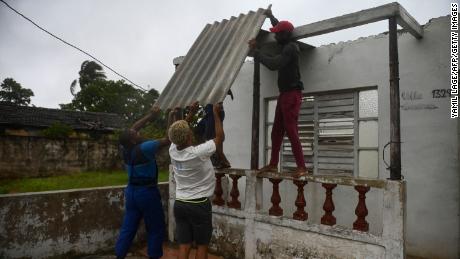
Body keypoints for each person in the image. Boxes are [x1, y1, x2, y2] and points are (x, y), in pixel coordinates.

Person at [249, 9, 308, 178]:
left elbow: (275, 64)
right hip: (285, 94)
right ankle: (273, 164)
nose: (274, 36)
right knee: (276, 131)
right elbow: (279, 27)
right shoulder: (286, 42)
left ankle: (302, 167)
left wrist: (257, 53)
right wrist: (271, 17)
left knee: (291, 129)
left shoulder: (291, 48)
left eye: (277, 34)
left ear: (285, 35)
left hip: (292, 94)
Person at [115, 105, 172, 259]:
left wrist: (150, 116)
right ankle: (154, 256)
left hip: (131, 192)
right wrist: (169, 116)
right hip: (147, 193)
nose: (138, 131)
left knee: (128, 227)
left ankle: (119, 255)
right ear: (133, 140)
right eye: (136, 133)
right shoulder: (146, 148)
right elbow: (168, 139)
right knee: (155, 227)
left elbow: (133, 128)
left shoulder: (125, 149)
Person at [168, 102, 224, 259]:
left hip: (180, 204)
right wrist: (215, 114)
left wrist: (191, 113)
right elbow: (219, 137)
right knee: (201, 246)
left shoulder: (173, 150)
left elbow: (179, 130)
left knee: (184, 245)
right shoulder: (198, 152)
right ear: (188, 136)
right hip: (199, 205)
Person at [195, 102, 231, 169]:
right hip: (208, 113)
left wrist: (216, 110)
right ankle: (218, 157)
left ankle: (220, 158)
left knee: (213, 137)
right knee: (199, 131)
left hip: (213, 112)